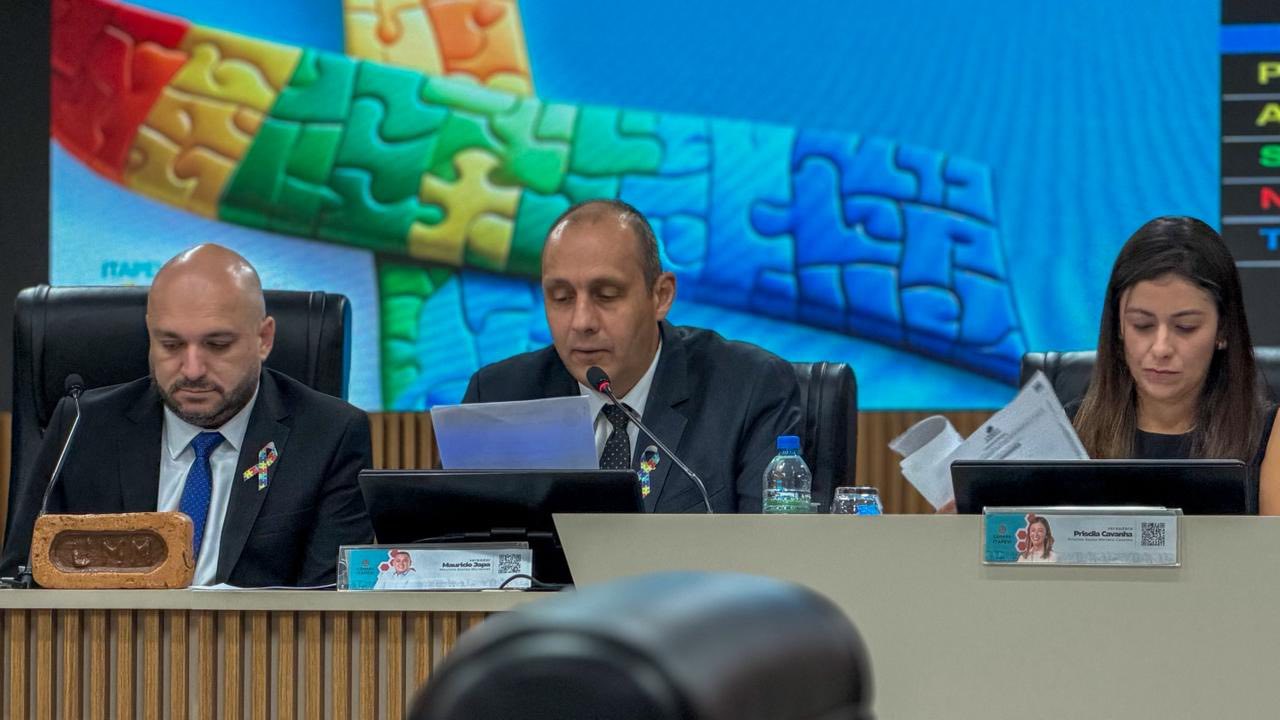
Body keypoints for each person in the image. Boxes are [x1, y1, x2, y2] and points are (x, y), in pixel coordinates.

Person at [0, 244, 374, 586]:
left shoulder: (329, 436)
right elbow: (19, 581)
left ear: (264, 339)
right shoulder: (83, 426)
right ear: (150, 336)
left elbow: (330, 601)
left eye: (217, 345)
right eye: (171, 344)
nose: (192, 370)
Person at [462, 199, 802, 512]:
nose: (581, 322)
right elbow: (455, 545)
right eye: (562, 298)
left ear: (661, 296)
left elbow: (772, 549)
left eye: (607, 295)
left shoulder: (749, 390)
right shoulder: (497, 397)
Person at [1070, 216, 1279, 513]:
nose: (1161, 348)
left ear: (1222, 330)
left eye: (1185, 327)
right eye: (1142, 325)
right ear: (1118, 327)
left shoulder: (1270, 436)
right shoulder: (1068, 431)